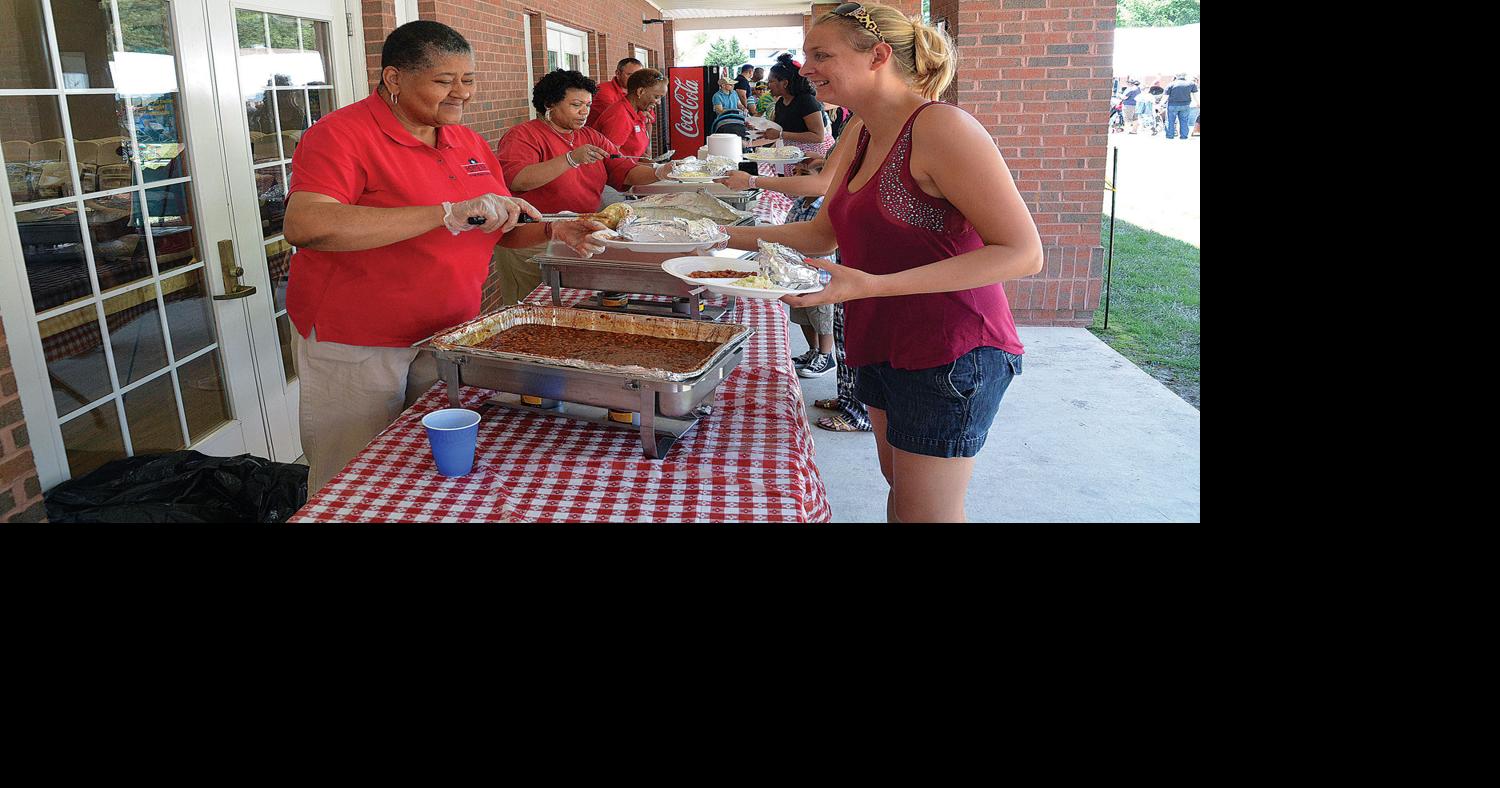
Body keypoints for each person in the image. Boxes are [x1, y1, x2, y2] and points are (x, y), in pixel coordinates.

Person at [723, 3, 1042, 522]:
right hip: (880, 336)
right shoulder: (860, 130)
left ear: (878, 55)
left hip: (950, 347)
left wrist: (871, 285)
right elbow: (820, 235)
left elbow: (1023, 252)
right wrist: (717, 237)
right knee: (902, 494)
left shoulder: (941, 127)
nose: (806, 67)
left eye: (821, 54)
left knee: (927, 512)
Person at [281, 21, 608, 491]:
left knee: (426, 467)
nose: (462, 93)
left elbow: (494, 228)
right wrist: (446, 213)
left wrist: (555, 230)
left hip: (447, 334)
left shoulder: (465, 141)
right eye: (444, 81)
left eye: (469, 79)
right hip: (358, 340)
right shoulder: (341, 134)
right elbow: (307, 225)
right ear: (394, 78)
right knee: (352, 476)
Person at [492, 69, 675, 305]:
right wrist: (570, 159)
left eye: (588, 105)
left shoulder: (591, 136)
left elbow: (624, 170)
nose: (584, 112)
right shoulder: (524, 135)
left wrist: (661, 172)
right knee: (530, 305)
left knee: (569, 305)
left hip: (577, 235)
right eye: (576, 105)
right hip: (531, 239)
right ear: (550, 104)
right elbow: (518, 179)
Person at [753, 53, 832, 225]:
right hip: (791, 157)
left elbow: (818, 136)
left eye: (771, 81)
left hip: (811, 159)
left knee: (809, 198)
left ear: (785, 83)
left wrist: (781, 135)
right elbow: (777, 131)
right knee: (795, 198)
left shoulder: (806, 101)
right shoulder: (780, 103)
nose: (768, 85)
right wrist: (759, 135)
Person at [593, 67, 667, 159]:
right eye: (656, 97)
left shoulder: (637, 112)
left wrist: (650, 162)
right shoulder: (620, 116)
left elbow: (632, 153)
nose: (659, 102)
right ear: (640, 91)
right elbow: (610, 158)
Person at [586, 57, 642, 130]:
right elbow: (619, 119)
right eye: (630, 75)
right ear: (618, 73)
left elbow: (649, 120)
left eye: (639, 76)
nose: (635, 79)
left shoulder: (638, 91)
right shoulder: (604, 91)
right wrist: (641, 115)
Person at [1163, 73, 1196, 141]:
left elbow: (1165, 96)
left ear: (1176, 76)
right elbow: (1195, 95)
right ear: (1185, 76)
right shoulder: (1191, 84)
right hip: (1186, 105)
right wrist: (1198, 103)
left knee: (1170, 121)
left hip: (1172, 105)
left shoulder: (1171, 84)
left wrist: (1160, 105)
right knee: (1184, 121)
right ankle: (1184, 136)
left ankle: (1170, 136)